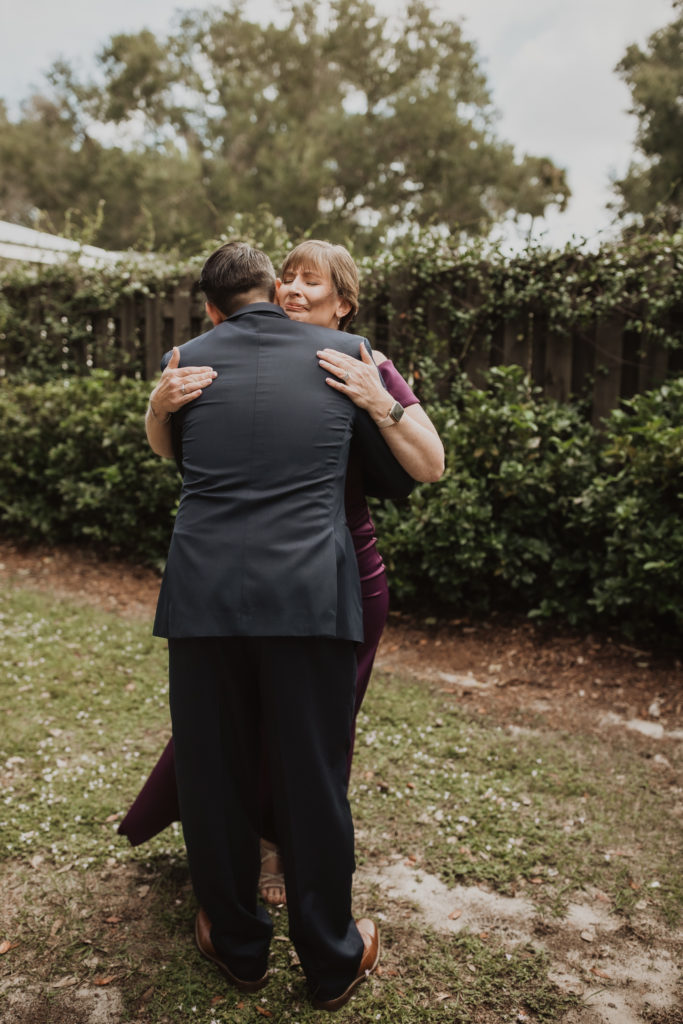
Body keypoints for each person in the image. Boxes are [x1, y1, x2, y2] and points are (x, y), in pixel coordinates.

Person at [119, 241, 445, 908]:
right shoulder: (227, 359)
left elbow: (429, 464)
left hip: (341, 569)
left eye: (310, 282)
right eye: (286, 280)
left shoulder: (363, 361)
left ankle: (280, 855)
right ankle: (250, 856)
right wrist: (159, 406)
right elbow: (178, 454)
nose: (293, 291)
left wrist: (377, 401)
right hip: (241, 571)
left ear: (343, 304)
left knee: (313, 735)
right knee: (237, 725)